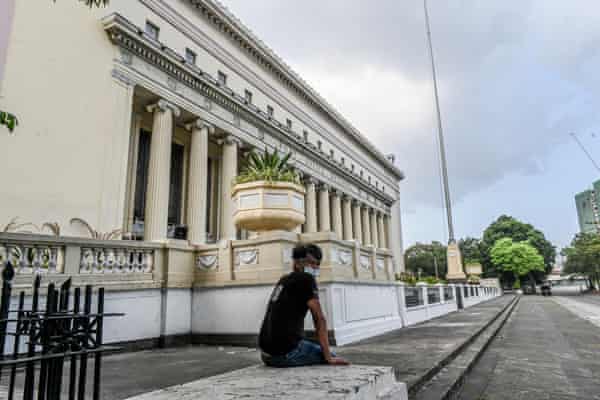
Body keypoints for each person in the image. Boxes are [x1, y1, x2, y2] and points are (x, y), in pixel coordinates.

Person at [258, 243, 349, 367]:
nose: (314, 267)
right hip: (284, 355)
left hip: (266, 354)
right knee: (330, 355)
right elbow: (319, 319)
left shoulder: (284, 279)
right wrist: (328, 358)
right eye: (310, 262)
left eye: (317, 264)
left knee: (313, 344)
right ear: (297, 262)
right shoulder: (307, 279)